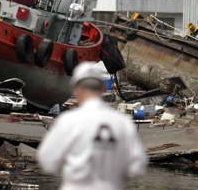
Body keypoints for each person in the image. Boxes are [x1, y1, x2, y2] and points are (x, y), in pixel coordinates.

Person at [38, 62, 148, 190]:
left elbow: (47, 161)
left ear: (76, 89)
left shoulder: (68, 121)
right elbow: (138, 166)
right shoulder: (122, 122)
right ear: (103, 88)